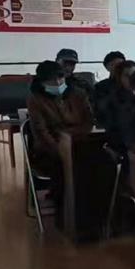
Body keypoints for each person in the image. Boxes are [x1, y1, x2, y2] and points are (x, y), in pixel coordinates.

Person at [25, 60, 93, 211]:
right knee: (63, 164)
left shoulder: (78, 94)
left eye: (60, 78)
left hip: (79, 142)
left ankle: (88, 205)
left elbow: (88, 122)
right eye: (51, 80)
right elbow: (41, 132)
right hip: (50, 148)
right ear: (42, 82)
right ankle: (66, 207)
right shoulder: (35, 99)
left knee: (98, 160)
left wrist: (70, 137)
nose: (57, 83)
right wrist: (59, 149)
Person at [101, 59, 135, 147]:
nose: (131, 79)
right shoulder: (111, 101)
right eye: (127, 76)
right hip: (123, 145)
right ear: (119, 78)